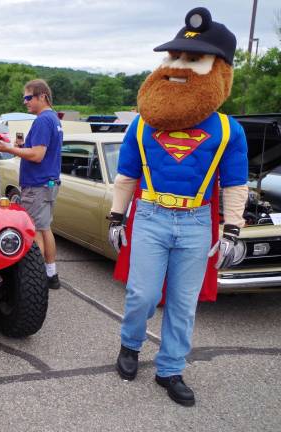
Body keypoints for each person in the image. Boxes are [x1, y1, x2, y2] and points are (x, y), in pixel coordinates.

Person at [108, 7, 248, 406]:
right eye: (176, 56)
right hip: (150, 215)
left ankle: (170, 368)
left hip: (196, 221)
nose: (179, 65)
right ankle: (130, 344)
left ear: (219, 68)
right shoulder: (141, 124)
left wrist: (232, 229)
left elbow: (235, 185)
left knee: (184, 304)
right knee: (142, 295)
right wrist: (117, 216)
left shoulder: (227, 129)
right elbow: (126, 176)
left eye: (193, 58)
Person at [0, 79, 63, 290]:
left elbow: (38, 155)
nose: (25, 102)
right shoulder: (54, 119)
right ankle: (51, 273)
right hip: (49, 182)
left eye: (28, 98)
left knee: (35, 231)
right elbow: (41, 150)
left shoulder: (42, 120)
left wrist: (7, 148)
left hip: (38, 184)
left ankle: (36, 281)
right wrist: (21, 146)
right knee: (45, 228)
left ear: (42, 97)